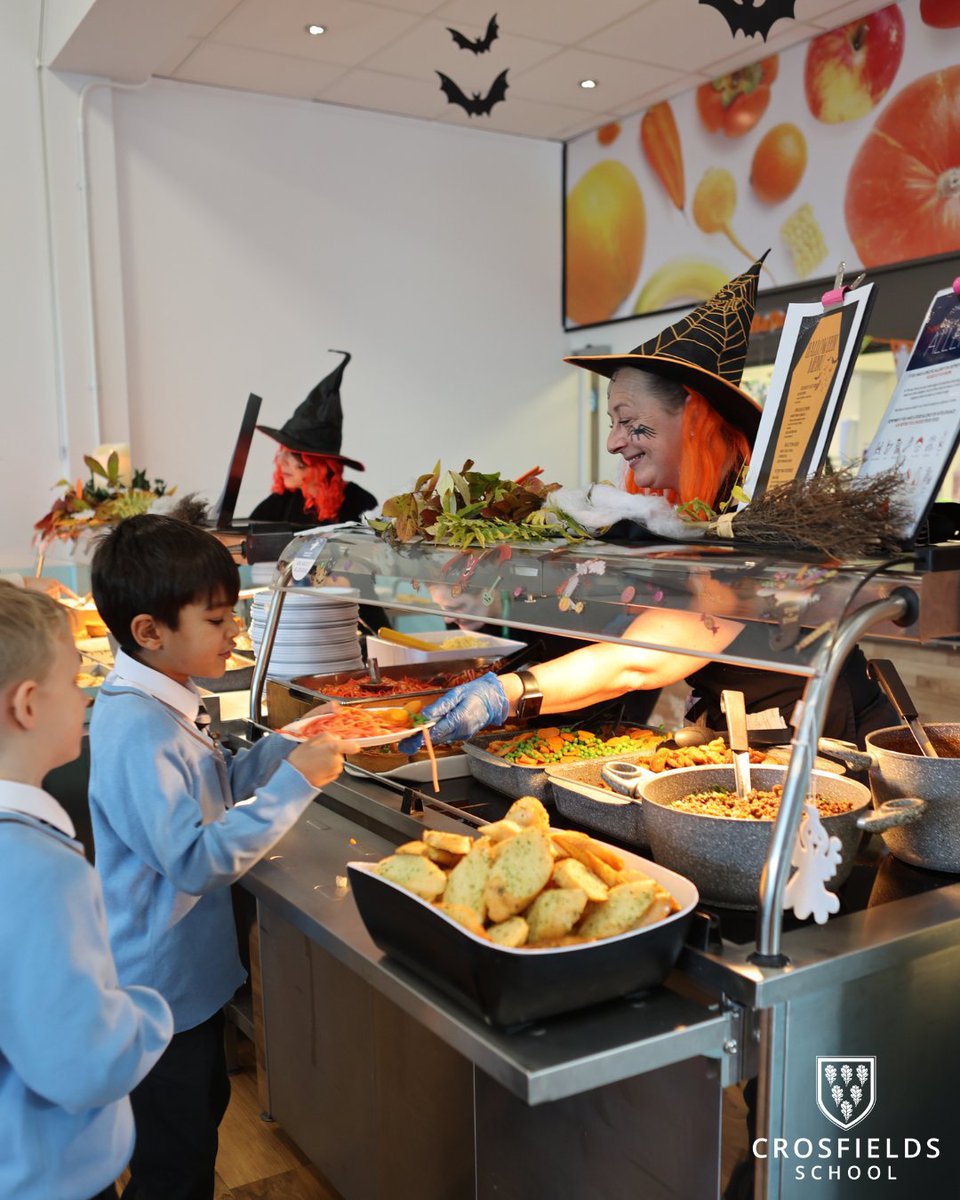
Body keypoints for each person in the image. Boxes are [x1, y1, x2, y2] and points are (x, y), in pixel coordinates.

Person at [403, 258, 894, 753]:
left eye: (629, 421)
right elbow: (612, 622)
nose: (614, 443)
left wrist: (505, 693)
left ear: (695, 418)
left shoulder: (757, 518)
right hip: (735, 735)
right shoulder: (672, 518)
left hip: (827, 743)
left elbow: (644, 658)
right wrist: (483, 604)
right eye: (614, 422)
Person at [87, 515, 357, 1200]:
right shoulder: (138, 728)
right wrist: (300, 781)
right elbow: (195, 858)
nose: (235, 632)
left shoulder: (165, 700)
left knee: (198, 1121)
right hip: (160, 995)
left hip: (188, 986)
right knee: (174, 1159)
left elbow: (214, 787)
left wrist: (284, 745)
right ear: (150, 632)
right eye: (217, 619)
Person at [0, 581, 173, 1200]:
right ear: (26, 705)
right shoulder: (40, 868)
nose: (87, 696)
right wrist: (148, 1013)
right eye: (75, 682)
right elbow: (84, 1062)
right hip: (45, 1177)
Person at [250, 350, 377, 526]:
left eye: (294, 455)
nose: (282, 462)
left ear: (321, 463)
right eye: (282, 453)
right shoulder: (278, 504)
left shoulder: (359, 503)